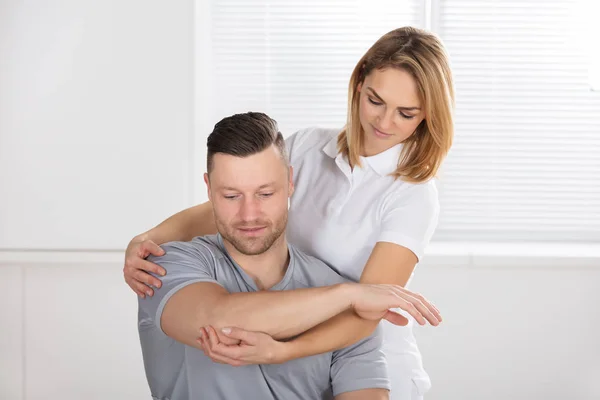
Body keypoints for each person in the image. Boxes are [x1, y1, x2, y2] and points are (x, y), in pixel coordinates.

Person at [127, 26, 453, 400]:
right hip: (276, 329)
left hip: (353, 350)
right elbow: (223, 207)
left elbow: (364, 312)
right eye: (375, 100)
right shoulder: (308, 147)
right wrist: (146, 240)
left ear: (428, 114)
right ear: (359, 81)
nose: (384, 122)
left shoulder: (413, 195)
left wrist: (284, 350)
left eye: (406, 113)